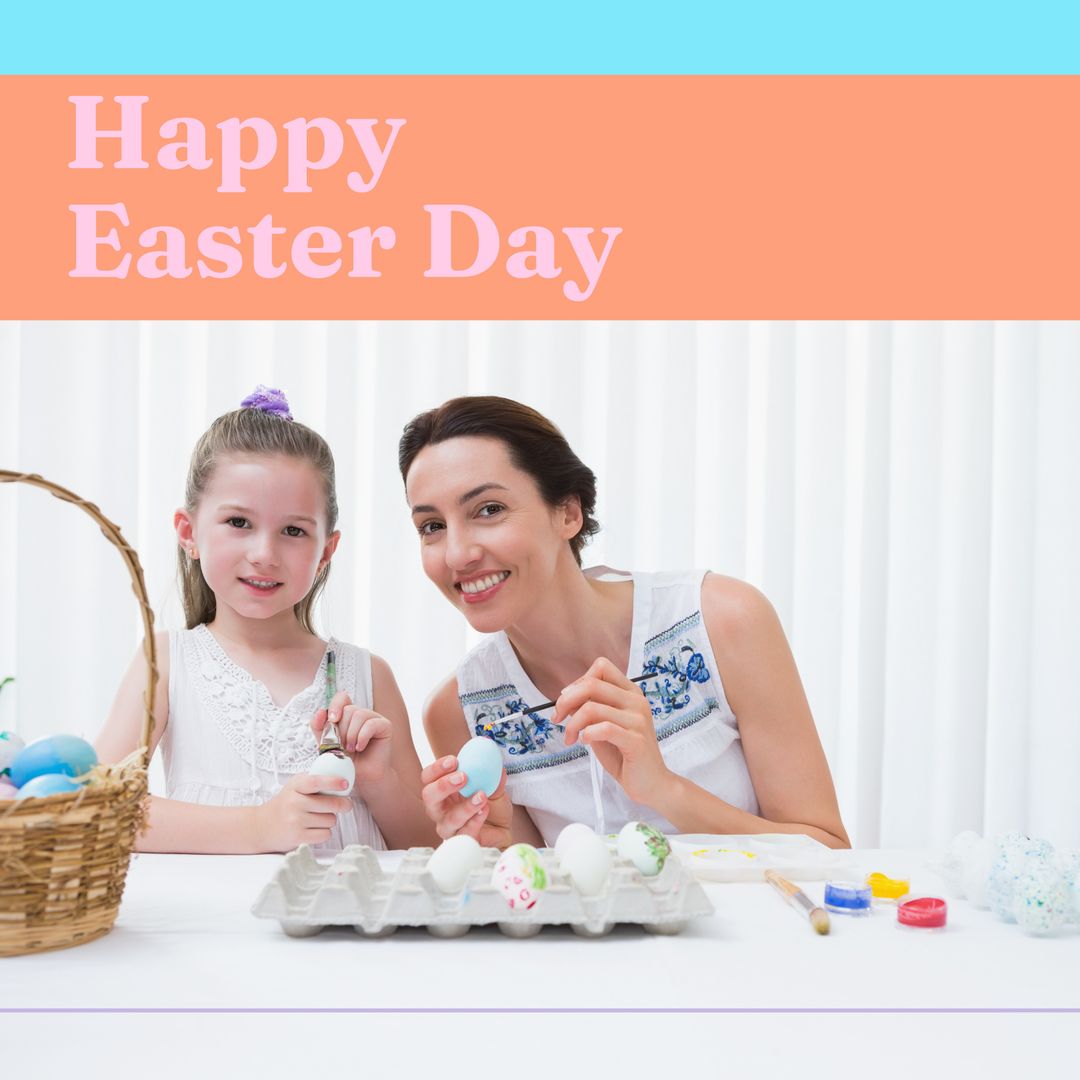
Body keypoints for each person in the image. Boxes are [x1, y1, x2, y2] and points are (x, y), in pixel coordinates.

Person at [401, 396, 850, 850]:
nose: (457, 554)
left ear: (568, 513)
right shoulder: (459, 710)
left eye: (489, 509)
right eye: (432, 526)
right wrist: (499, 845)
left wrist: (663, 789)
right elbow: (542, 882)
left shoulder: (722, 621)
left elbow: (828, 850)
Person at [97, 386, 434, 854]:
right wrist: (260, 826)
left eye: (293, 530)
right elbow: (99, 811)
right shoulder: (167, 662)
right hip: (217, 907)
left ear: (326, 551)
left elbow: (428, 847)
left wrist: (378, 781)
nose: (264, 554)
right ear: (188, 532)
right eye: (239, 522)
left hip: (349, 905)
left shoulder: (368, 675)